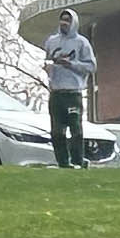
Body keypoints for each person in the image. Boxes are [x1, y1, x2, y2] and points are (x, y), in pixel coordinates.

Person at [41, 9, 96, 168]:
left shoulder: (82, 43)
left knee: (75, 129)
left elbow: (91, 66)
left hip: (73, 93)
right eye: (62, 20)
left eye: (67, 20)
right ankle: (63, 162)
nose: (64, 23)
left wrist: (71, 64)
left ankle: (78, 161)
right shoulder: (51, 41)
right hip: (56, 93)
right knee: (57, 131)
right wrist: (48, 67)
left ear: (74, 23)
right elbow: (47, 60)